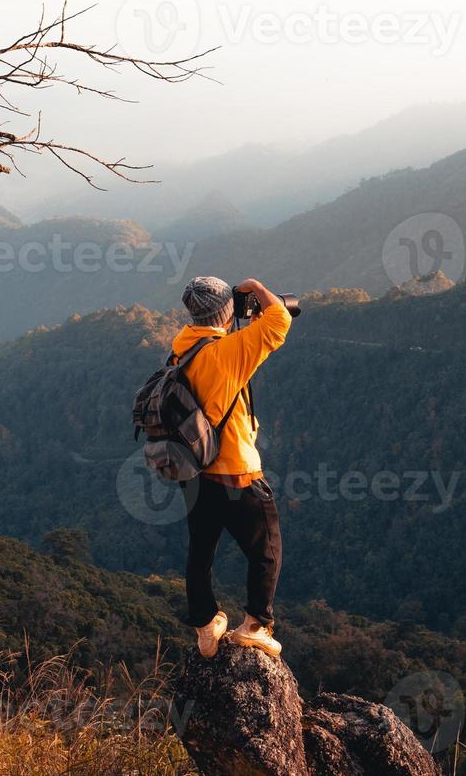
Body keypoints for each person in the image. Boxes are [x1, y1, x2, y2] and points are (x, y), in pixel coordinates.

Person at [175, 275, 292, 659]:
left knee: (201, 551)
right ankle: (256, 626)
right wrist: (258, 287)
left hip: (196, 473)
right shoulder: (231, 351)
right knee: (267, 551)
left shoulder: (182, 349)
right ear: (228, 312)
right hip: (237, 473)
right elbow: (279, 320)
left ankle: (206, 627)